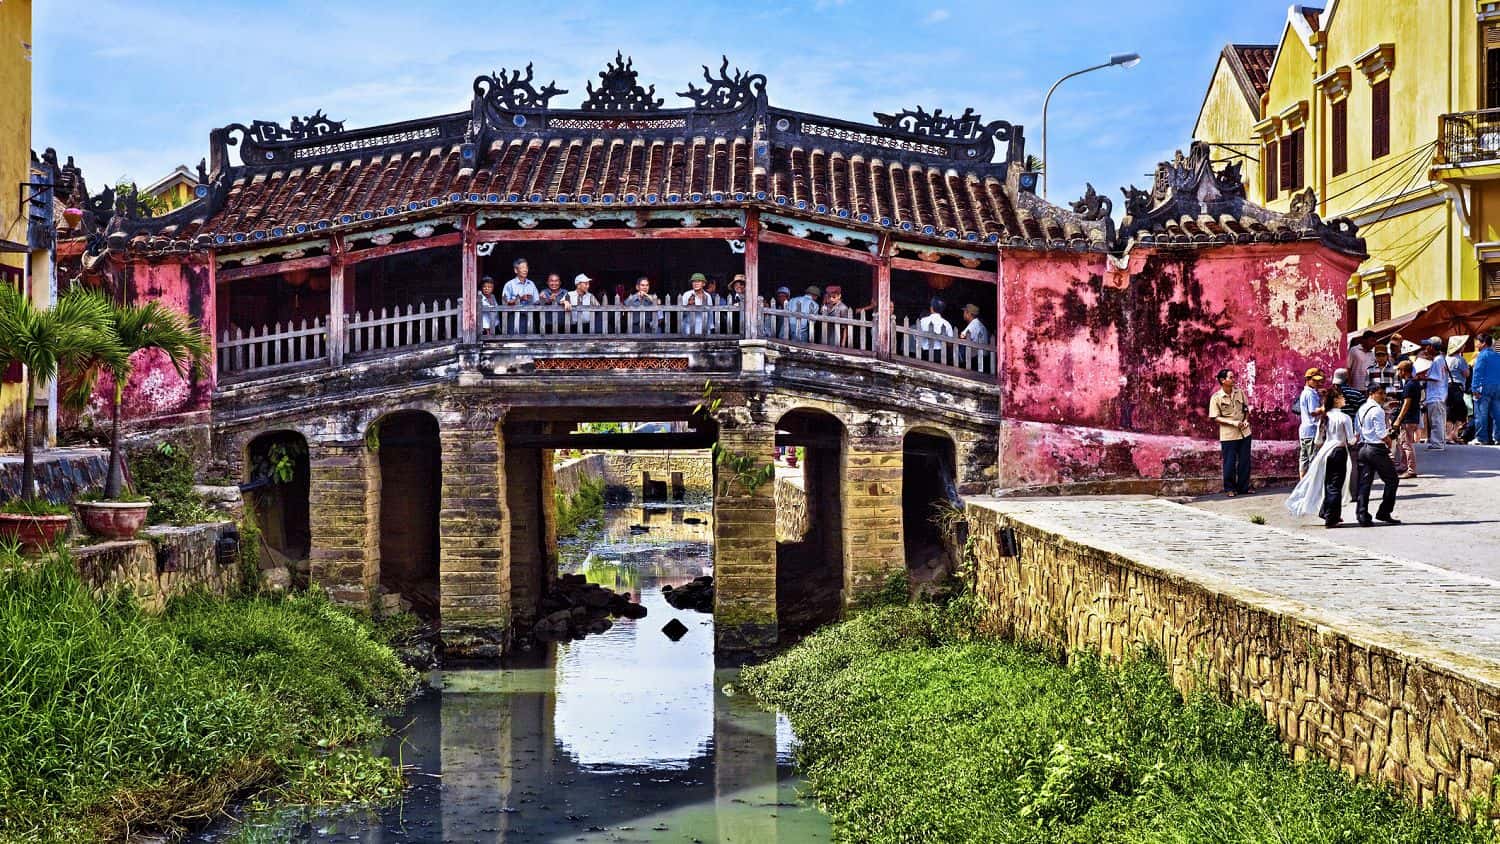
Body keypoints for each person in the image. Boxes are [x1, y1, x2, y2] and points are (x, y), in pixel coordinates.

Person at [1286, 389, 1357, 528]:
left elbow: (1318, 441)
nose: (1344, 399)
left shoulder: (1324, 417)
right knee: (1336, 485)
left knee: (1328, 483)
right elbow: (1351, 440)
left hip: (1326, 452)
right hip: (1339, 450)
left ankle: (1327, 511)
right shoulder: (1344, 417)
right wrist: (1357, 437)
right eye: (1342, 397)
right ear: (1336, 400)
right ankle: (1331, 517)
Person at [1355, 382, 1401, 526]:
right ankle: (1384, 512)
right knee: (1392, 480)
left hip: (1363, 447)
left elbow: (1357, 429)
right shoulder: (1377, 410)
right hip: (1376, 449)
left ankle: (1362, 514)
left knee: (1364, 483)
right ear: (1371, 393)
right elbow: (1381, 433)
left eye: (1383, 393)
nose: (1383, 396)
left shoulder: (1362, 409)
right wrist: (1389, 440)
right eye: (1380, 393)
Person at [1208, 368, 1252, 497]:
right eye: (1231, 377)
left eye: (1234, 377)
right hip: (1228, 435)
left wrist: (1246, 420)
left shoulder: (1240, 392)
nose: (1234, 379)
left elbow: (1246, 409)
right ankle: (1229, 488)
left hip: (1244, 432)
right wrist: (1233, 423)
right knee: (1229, 463)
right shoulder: (1216, 398)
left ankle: (1243, 487)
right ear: (1223, 380)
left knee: (1245, 461)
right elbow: (1215, 417)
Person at [1393, 359, 1422, 477]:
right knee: (1403, 442)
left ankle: (1411, 470)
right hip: (1413, 417)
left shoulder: (1409, 385)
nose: (1397, 373)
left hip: (1408, 418)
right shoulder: (1414, 383)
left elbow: (1407, 403)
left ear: (1403, 371)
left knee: (1407, 444)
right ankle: (1403, 465)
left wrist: (1399, 419)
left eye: (1399, 370)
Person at [1419, 338, 1450, 450]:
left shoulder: (1437, 360)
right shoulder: (1440, 359)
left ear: (1432, 347)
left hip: (1436, 395)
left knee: (1436, 420)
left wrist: (1422, 377)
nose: (1426, 348)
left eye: (1428, 346)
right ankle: (1439, 441)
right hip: (1439, 395)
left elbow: (1436, 377)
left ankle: (1437, 443)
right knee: (1438, 419)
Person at [1296, 368, 1327, 478]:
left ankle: (1302, 486)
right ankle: (1311, 488)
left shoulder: (1306, 392)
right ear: (1308, 380)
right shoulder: (1311, 394)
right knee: (1314, 461)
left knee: (1304, 460)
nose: (1319, 383)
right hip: (1312, 431)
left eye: (1319, 381)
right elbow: (1313, 412)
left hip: (1305, 431)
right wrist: (1326, 407)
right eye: (1316, 380)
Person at [1473, 331, 1499, 445]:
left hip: (1484, 387)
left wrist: (1475, 388)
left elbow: (1477, 372)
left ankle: (1482, 438)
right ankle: (1498, 437)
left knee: (1481, 414)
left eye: (1477, 342)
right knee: (1498, 414)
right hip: (1497, 387)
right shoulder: (1497, 355)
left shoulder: (1482, 355)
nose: (1476, 344)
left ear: (1483, 343)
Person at [1444, 335, 1471, 444]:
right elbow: (1467, 374)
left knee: (1450, 411)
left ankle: (1449, 435)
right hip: (1457, 387)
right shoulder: (1460, 359)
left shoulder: (1445, 359)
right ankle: (1452, 434)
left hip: (1447, 387)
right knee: (1461, 411)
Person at [502, 258, 538, 334]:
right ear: (516, 270)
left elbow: (536, 301)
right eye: (522, 268)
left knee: (531, 342)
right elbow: (504, 303)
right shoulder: (509, 285)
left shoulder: (531, 284)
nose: (525, 270)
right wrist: (520, 299)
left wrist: (542, 299)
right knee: (514, 342)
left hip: (529, 316)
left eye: (526, 267)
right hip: (514, 317)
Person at [959, 303, 990, 370]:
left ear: (969, 314)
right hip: (984, 357)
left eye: (964, 312)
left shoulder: (973, 324)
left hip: (976, 359)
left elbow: (962, 336)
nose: (963, 314)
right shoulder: (979, 324)